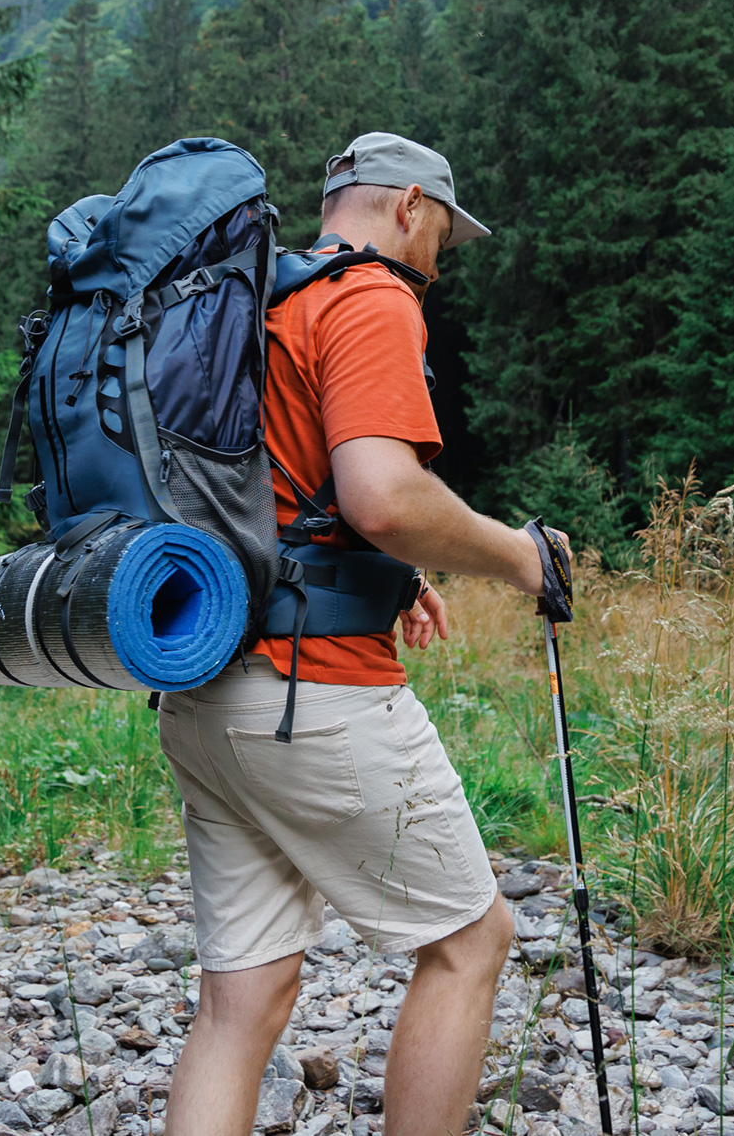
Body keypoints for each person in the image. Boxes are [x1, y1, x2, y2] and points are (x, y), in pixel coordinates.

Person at [157, 133, 567, 1136]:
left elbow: (280, 498)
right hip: (314, 695)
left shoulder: (255, 304)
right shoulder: (373, 297)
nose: (440, 260)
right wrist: (516, 556)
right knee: (472, 941)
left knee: (238, 1003)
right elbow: (379, 496)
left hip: (203, 687)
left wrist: (386, 579)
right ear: (410, 207)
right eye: (443, 237)